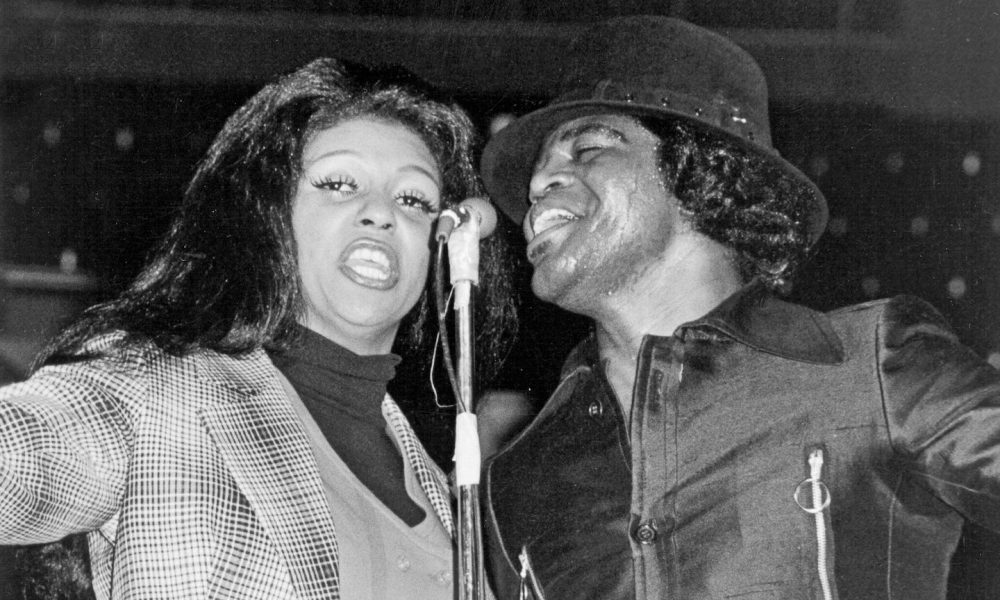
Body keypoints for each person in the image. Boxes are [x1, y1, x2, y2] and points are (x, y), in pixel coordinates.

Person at [478, 15, 1000, 600]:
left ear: (701, 178)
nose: (540, 180)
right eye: (543, 165)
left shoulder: (872, 368)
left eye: (590, 148)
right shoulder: (517, 479)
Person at [0, 57, 516, 599]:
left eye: (413, 199)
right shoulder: (155, 391)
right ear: (265, 216)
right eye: (339, 184)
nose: (380, 214)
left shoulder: (446, 493)